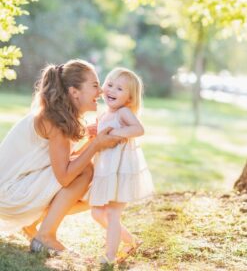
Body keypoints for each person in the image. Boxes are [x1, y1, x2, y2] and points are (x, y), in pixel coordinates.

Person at [0, 59, 122, 254]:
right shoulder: (55, 121)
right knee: (86, 170)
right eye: (94, 86)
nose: (100, 92)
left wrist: (90, 139)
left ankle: (33, 225)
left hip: (12, 188)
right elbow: (65, 176)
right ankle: (45, 236)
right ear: (74, 92)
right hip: (9, 194)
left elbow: (61, 161)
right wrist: (96, 144)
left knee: (94, 189)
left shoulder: (59, 116)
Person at [87, 67, 154, 265]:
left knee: (112, 214)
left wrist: (116, 134)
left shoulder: (124, 112)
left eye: (119, 89)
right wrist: (94, 132)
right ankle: (131, 241)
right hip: (106, 170)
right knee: (97, 213)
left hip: (121, 172)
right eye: (109, 85)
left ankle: (109, 256)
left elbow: (138, 129)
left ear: (130, 99)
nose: (112, 90)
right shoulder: (105, 114)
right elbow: (101, 138)